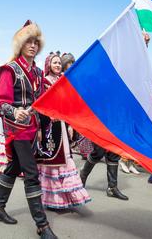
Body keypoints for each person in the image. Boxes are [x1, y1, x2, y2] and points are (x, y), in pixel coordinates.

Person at [0, 20, 58, 238]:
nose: (32, 45)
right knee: (31, 173)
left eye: (36, 42)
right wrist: (14, 111)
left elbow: (38, 102)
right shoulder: (10, 70)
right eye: (28, 41)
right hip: (16, 129)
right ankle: (42, 225)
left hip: (31, 128)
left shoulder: (38, 72)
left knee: (13, 167)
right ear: (20, 44)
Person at [36, 53, 91, 210]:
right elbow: (40, 107)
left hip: (62, 125)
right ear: (48, 64)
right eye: (55, 62)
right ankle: (53, 200)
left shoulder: (63, 81)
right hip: (49, 127)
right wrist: (39, 128)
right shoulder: (44, 81)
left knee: (65, 158)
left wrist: (70, 124)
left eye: (59, 63)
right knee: (52, 162)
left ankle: (67, 197)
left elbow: (68, 105)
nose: (58, 65)